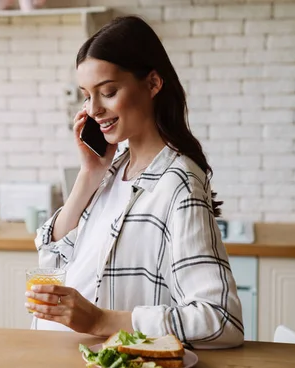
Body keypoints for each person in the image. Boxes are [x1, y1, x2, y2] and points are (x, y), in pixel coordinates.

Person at [25, 16, 244, 349]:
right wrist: (89, 174)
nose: (94, 109)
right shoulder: (113, 170)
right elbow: (53, 262)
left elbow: (219, 320)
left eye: (108, 92)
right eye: (87, 96)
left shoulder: (178, 185)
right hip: (61, 367)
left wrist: (101, 321)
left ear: (153, 83)